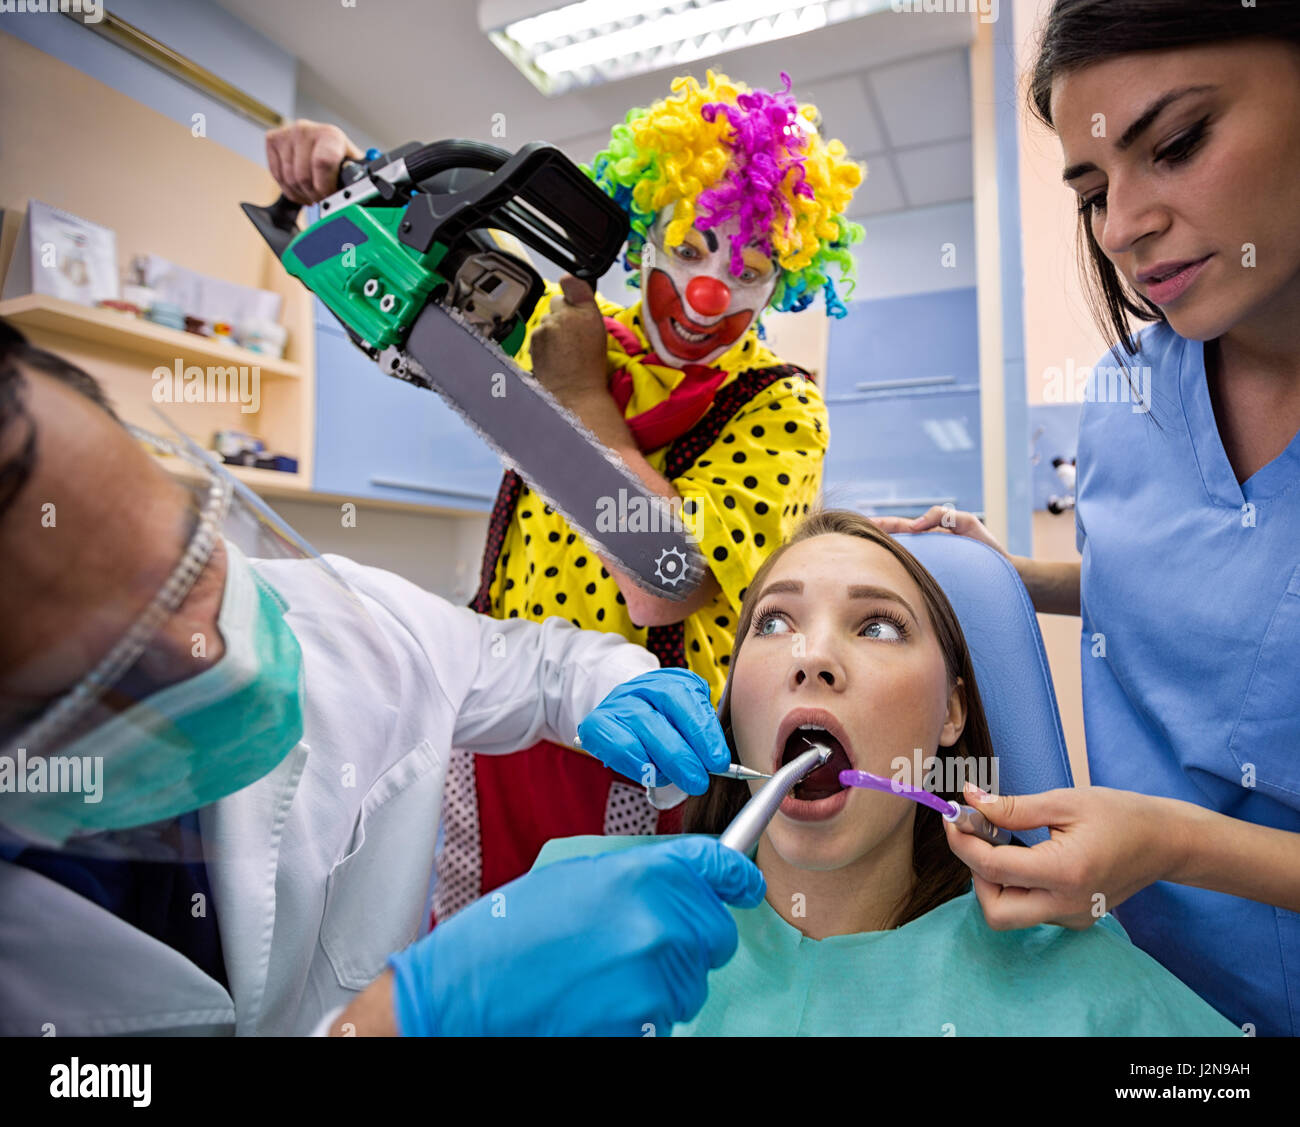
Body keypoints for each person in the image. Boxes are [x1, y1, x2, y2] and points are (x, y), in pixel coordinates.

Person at [0, 322, 760, 1036]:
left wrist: (611, 683)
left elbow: (534, 661)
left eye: (192, 556)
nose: (218, 649)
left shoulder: (346, 624)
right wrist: (401, 1019)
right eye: (126, 667)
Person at [262, 71, 866, 918]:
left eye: (749, 271)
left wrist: (582, 401)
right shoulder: (566, 327)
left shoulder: (780, 404)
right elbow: (415, 278)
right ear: (647, 235)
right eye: (689, 248)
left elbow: (662, 582)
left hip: (645, 746)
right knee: (487, 946)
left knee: (612, 969)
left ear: (784, 285)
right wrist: (340, 172)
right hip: (508, 717)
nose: (707, 293)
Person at [874, 0, 1300, 1037]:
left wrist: (1172, 843)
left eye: (1179, 142)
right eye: (1092, 190)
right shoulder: (1126, 395)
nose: (1122, 227)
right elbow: (1178, 576)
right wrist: (1011, 576)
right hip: (1128, 989)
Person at [557, 510, 1240, 1035]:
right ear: (730, 700)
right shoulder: (578, 904)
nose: (812, 655)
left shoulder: (1084, 982)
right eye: (773, 623)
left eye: (878, 626)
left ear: (952, 711)